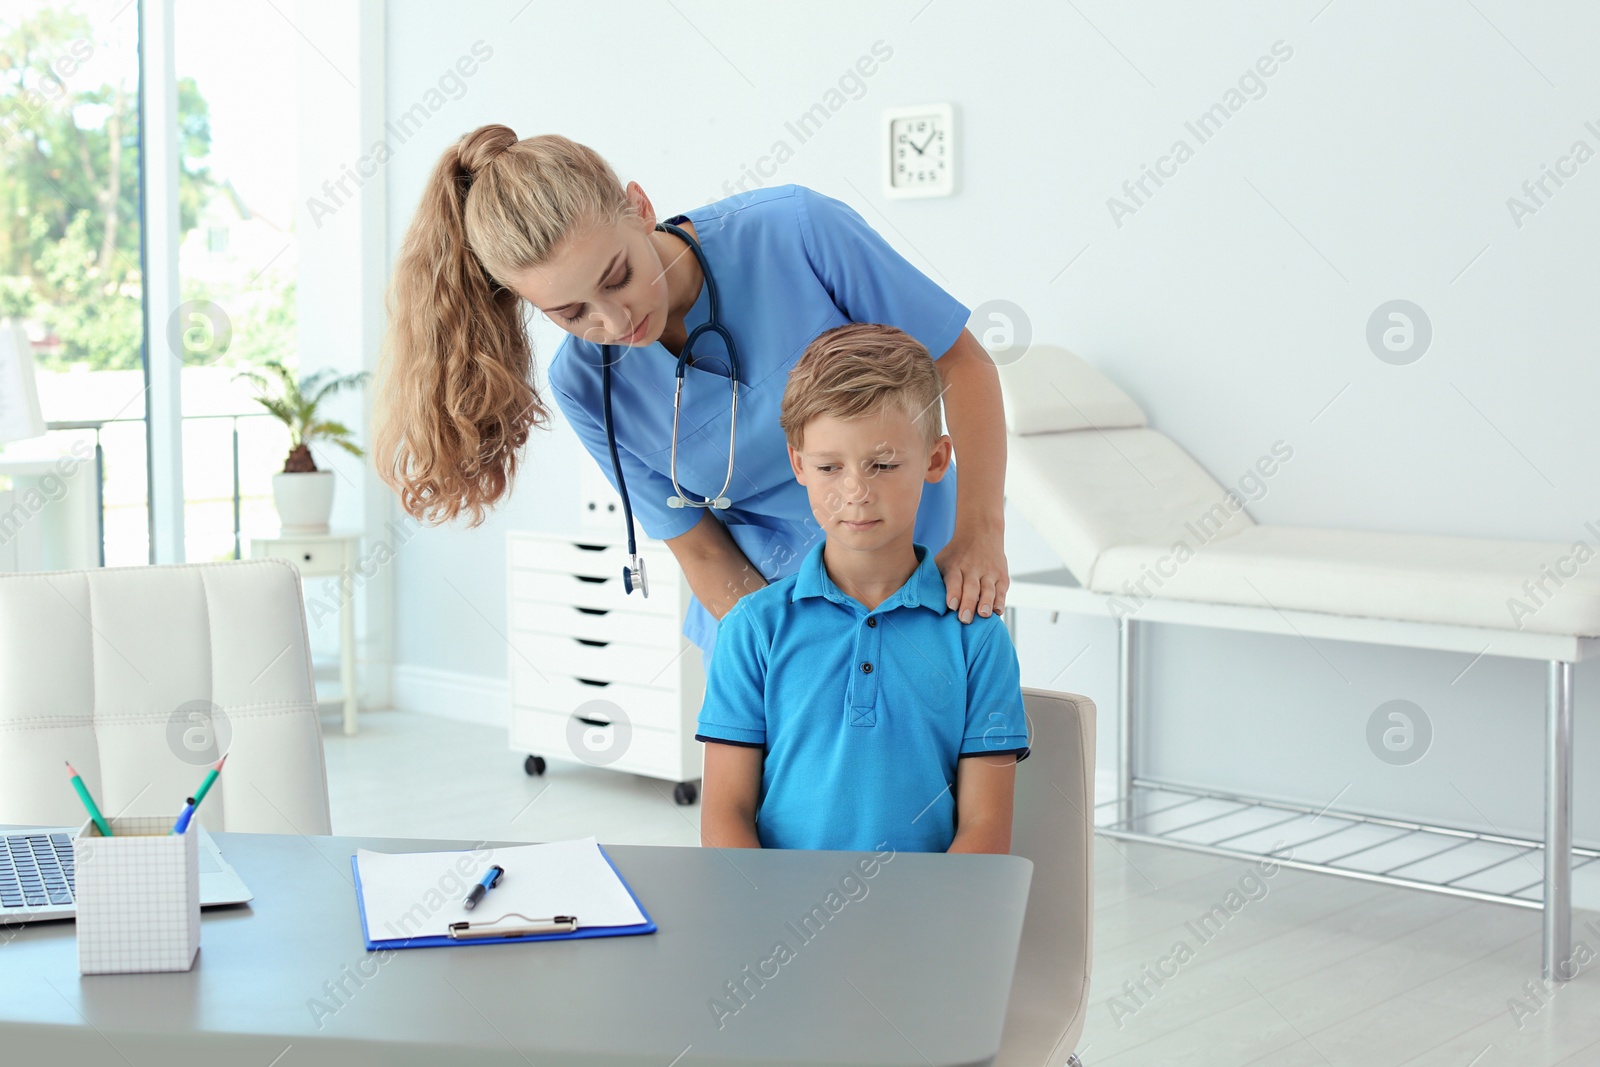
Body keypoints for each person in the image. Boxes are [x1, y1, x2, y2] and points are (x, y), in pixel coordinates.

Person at [373, 126, 1012, 668]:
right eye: (572, 314)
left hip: (923, 573)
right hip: (764, 617)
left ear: (639, 206)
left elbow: (961, 361)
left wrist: (979, 534)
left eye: (618, 276)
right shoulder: (583, 385)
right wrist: (792, 652)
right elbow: (700, 547)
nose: (615, 322)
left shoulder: (797, 232)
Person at [695, 324, 1029, 853]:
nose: (855, 492)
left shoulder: (977, 638)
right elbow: (724, 817)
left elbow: (985, 830)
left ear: (936, 461)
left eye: (883, 465)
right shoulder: (753, 628)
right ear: (799, 465)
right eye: (830, 467)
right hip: (778, 922)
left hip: (926, 925)